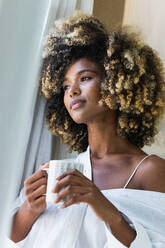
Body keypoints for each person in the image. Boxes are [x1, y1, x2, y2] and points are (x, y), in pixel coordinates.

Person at [9, 12, 165, 248]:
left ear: (116, 81)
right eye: (65, 85)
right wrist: (28, 209)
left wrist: (105, 209)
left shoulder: (151, 170)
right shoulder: (57, 174)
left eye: (85, 78)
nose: (72, 91)